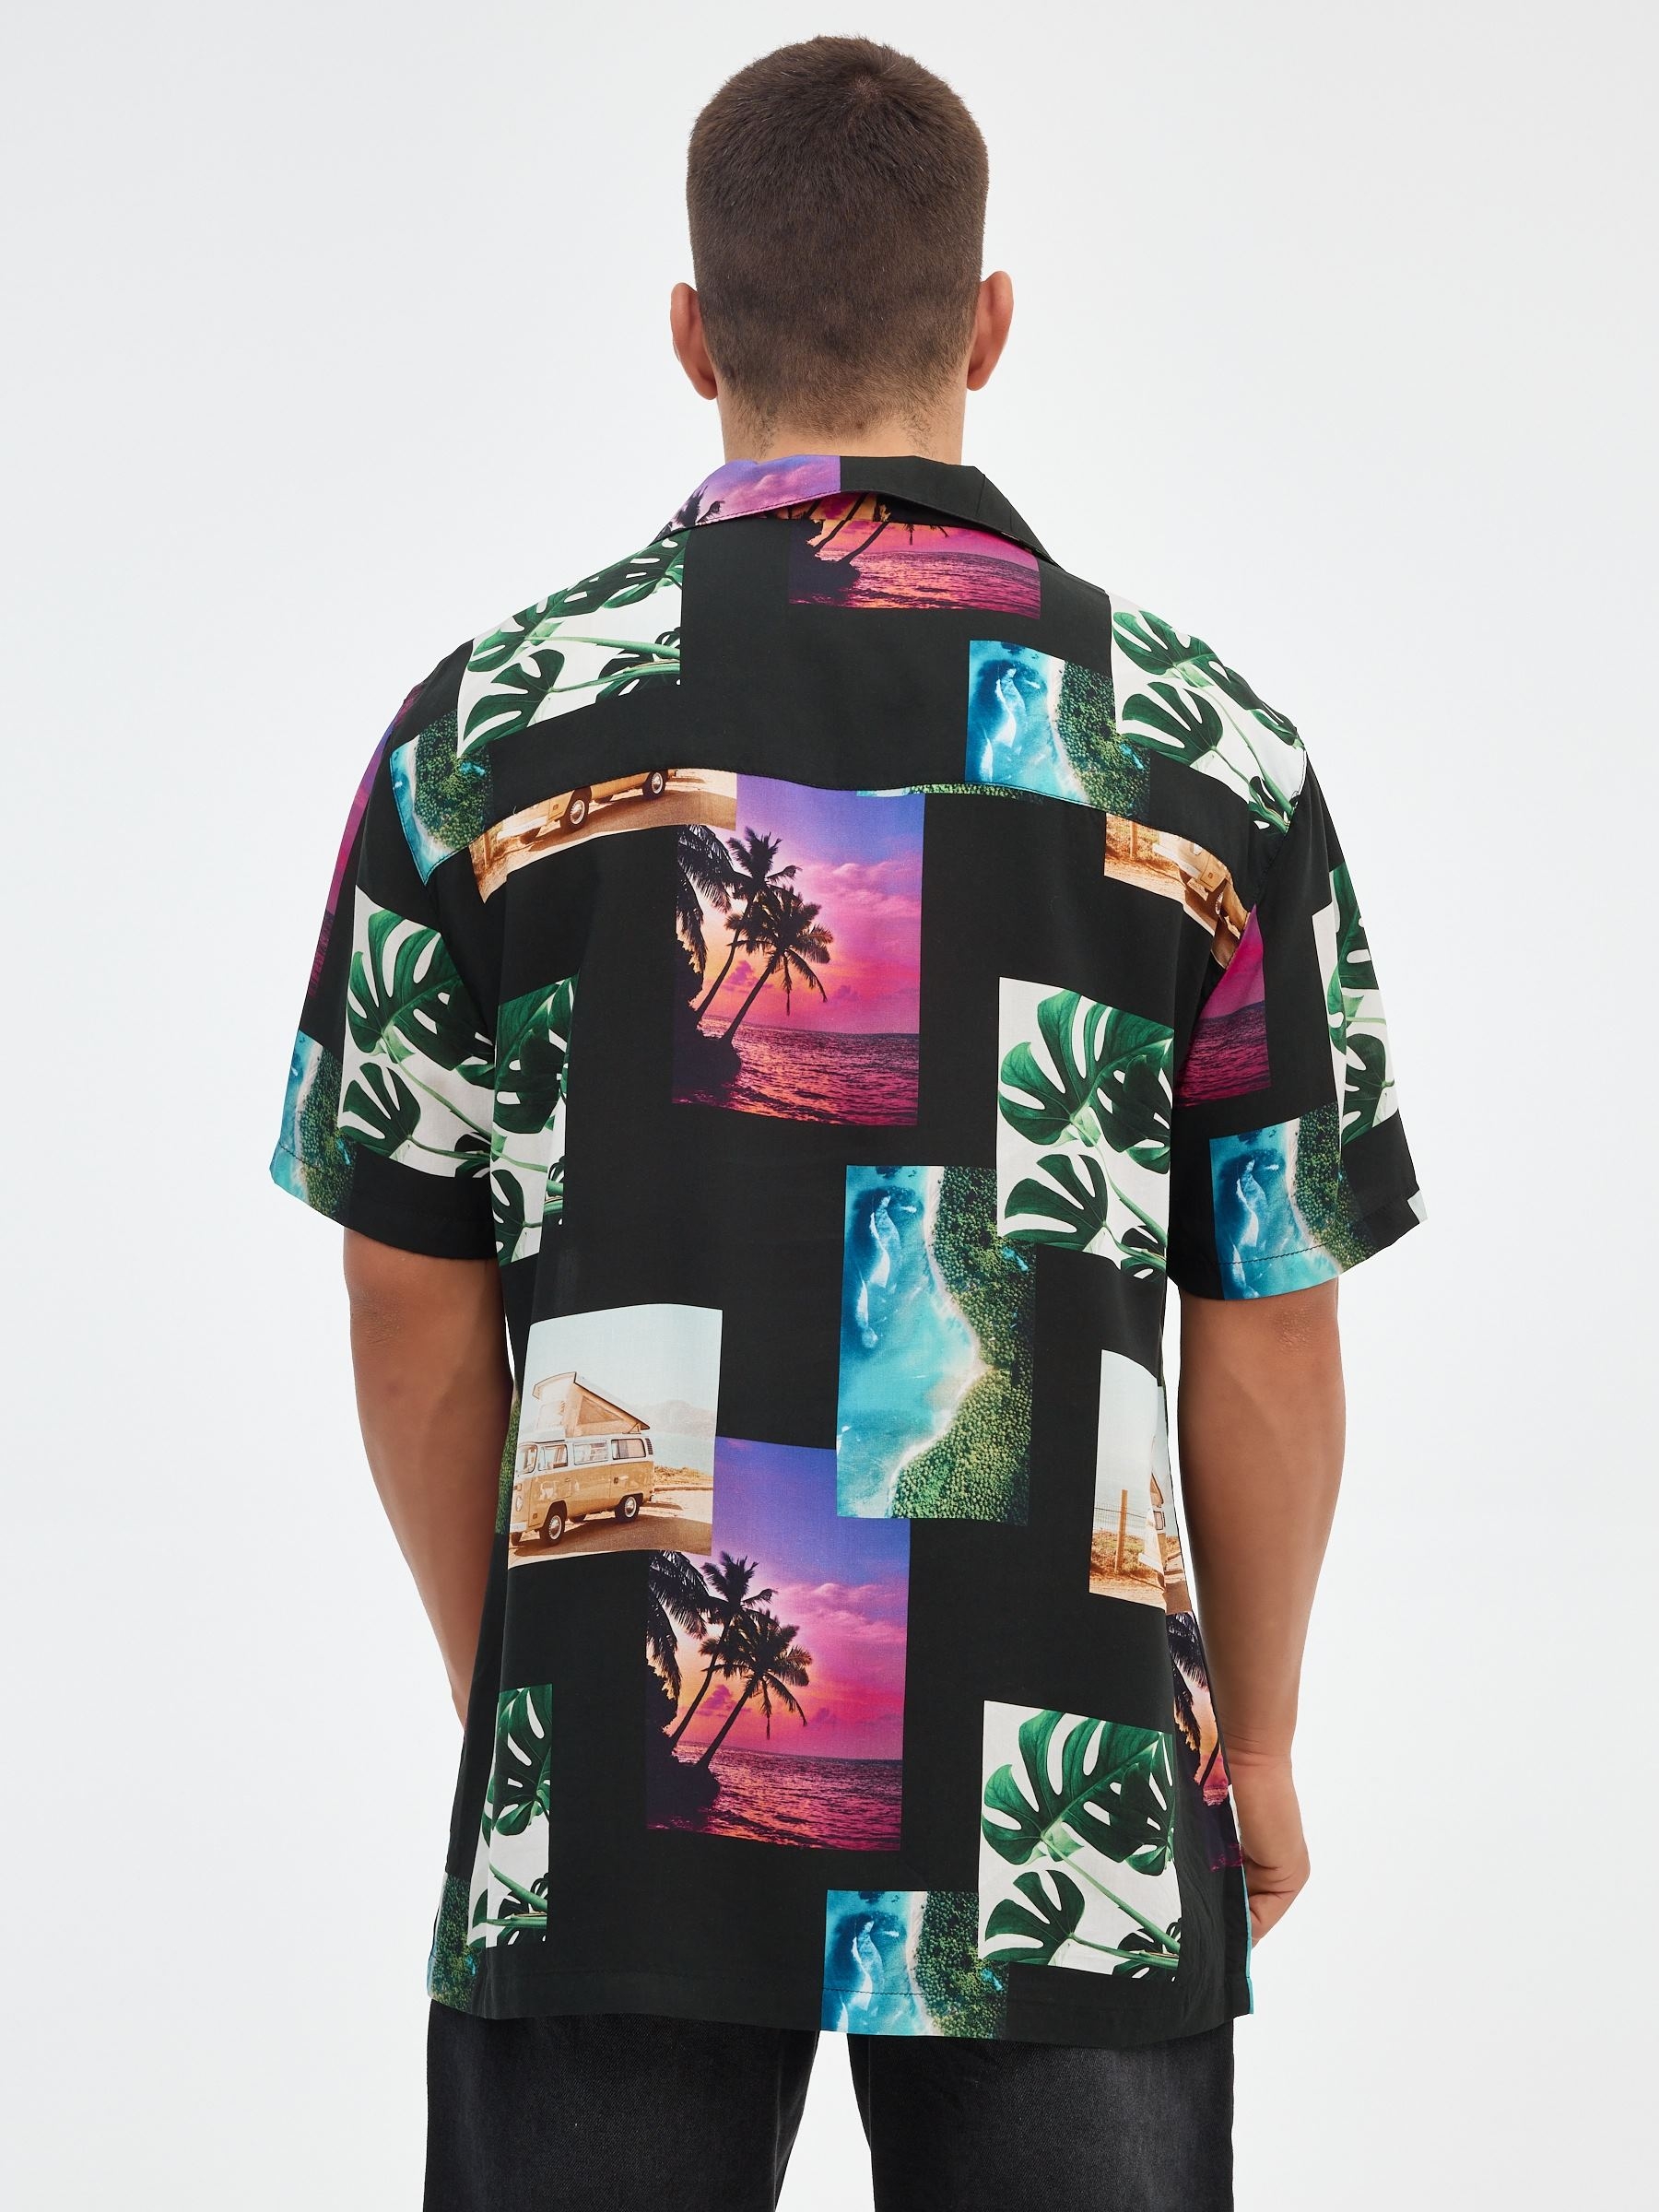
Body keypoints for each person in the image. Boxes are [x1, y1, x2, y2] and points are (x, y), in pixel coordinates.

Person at [270, 34, 1421, 2212]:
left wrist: (534, 1714)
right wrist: (1259, 1744)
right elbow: (1271, 1326)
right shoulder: (1207, 760)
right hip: (1066, 1774)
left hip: (622, 1777)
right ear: (989, 323)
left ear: (691, 333)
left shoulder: (486, 739)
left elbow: (404, 1300)